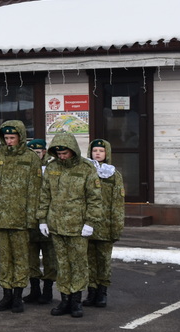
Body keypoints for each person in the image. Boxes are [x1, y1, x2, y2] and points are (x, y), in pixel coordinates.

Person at [37, 132, 102, 319]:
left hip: (77, 226)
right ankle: (64, 299)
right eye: (59, 154)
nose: (62, 156)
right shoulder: (52, 167)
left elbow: (94, 198)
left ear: (73, 150)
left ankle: (76, 300)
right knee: (62, 264)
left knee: (78, 264)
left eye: (65, 153)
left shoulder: (86, 168)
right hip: (56, 224)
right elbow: (45, 195)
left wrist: (90, 222)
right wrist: (42, 219)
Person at [0, 120, 42, 313]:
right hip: (0, 217)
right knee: (5, 259)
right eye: (6, 138)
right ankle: (6, 294)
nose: (9, 141)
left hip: (20, 218)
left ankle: (18, 296)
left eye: (12, 138)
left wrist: (32, 217)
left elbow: (35, 190)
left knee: (21, 259)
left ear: (20, 137)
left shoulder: (31, 158)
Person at [83, 139, 125, 308]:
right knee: (89, 261)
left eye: (101, 151)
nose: (98, 153)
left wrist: (116, 226)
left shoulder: (113, 174)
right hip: (88, 225)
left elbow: (117, 203)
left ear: (107, 153)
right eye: (95, 151)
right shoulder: (85, 171)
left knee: (104, 260)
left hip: (106, 225)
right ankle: (91, 291)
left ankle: (102, 292)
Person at [23, 138, 57, 303]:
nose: (35, 155)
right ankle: (34, 289)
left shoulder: (52, 167)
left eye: (38, 152)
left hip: (47, 220)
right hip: (30, 219)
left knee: (50, 258)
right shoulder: (26, 166)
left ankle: (48, 290)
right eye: (32, 152)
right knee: (31, 258)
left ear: (44, 152)